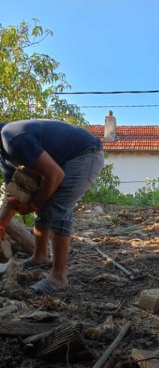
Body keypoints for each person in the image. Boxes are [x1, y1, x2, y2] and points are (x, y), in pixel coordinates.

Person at [0, 119, 104, 295]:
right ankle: (39, 257)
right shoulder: (3, 155)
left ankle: (58, 278)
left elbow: (55, 175)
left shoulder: (11, 138)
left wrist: (32, 205)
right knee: (44, 205)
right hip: (63, 161)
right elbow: (13, 193)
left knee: (57, 207)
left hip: (85, 154)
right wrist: (2, 225)